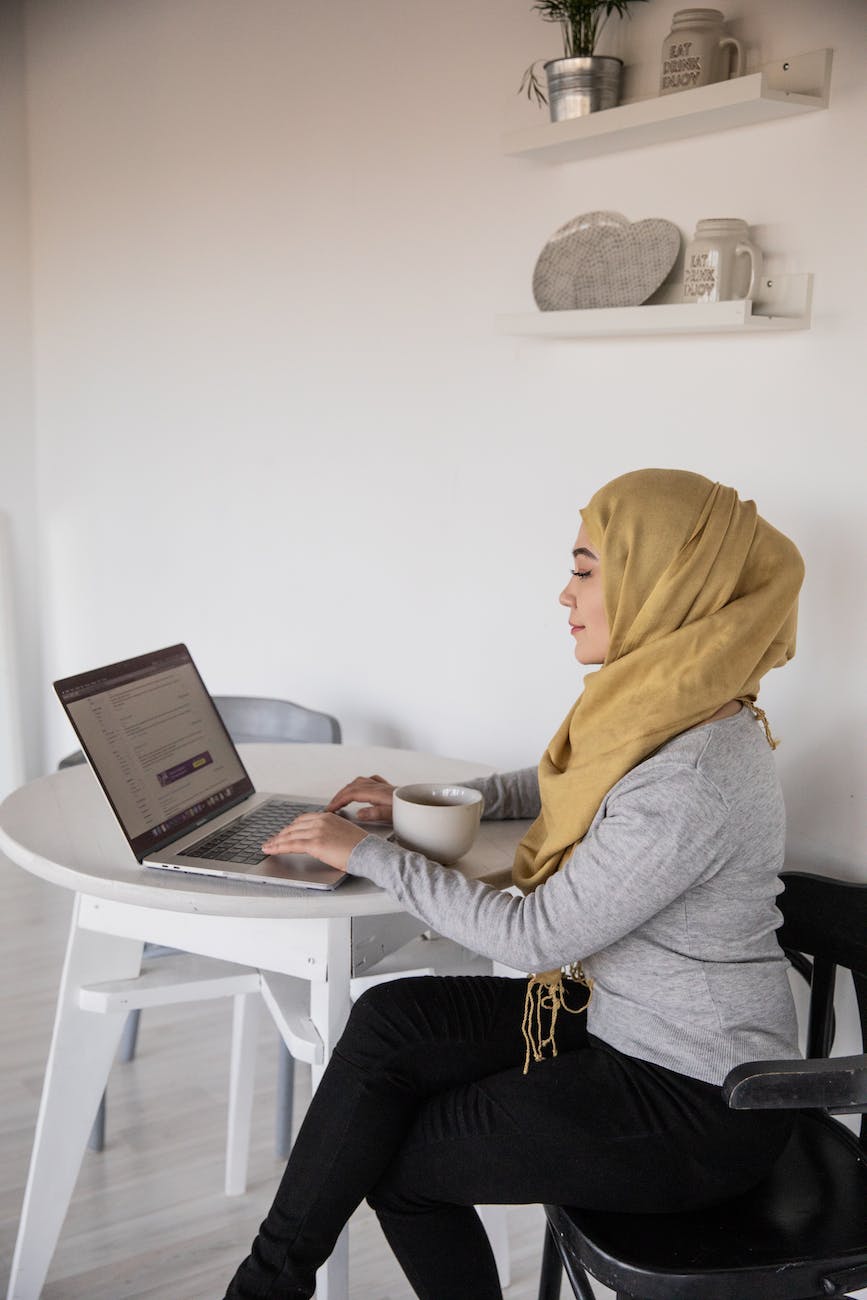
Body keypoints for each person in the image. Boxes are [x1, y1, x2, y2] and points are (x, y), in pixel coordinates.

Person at [224, 468, 805, 1300]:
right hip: (625, 1023)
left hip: (696, 1103)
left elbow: (531, 937)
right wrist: (427, 804)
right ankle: (265, 1285)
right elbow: (570, 779)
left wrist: (368, 852)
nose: (563, 595)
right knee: (392, 1019)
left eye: (583, 568)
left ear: (660, 585)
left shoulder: (692, 780)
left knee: (405, 1166)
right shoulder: (676, 705)